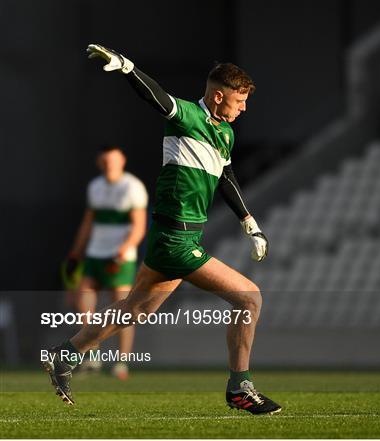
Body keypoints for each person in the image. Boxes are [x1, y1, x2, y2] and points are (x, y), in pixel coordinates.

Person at [43, 44, 281, 415]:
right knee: (249, 298)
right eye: (239, 100)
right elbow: (158, 98)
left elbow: (227, 175)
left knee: (133, 311)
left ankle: (65, 354)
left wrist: (249, 222)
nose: (244, 108)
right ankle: (239, 387)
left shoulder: (225, 135)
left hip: (175, 237)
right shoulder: (187, 115)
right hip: (176, 240)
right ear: (218, 96)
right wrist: (126, 67)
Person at [64, 145, 148, 380]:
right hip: (95, 254)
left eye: (112, 161)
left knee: (122, 308)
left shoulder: (132, 187)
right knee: (83, 298)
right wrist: (75, 254)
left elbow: (139, 226)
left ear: (121, 160)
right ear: (100, 163)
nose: (108, 165)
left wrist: (123, 249)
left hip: (119, 256)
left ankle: (121, 361)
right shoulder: (96, 187)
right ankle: (91, 353)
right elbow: (87, 224)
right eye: (105, 162)